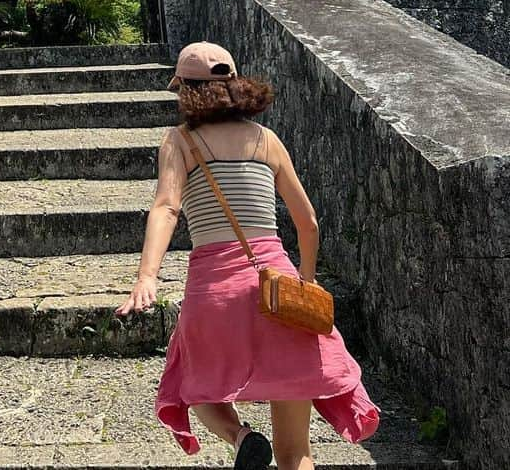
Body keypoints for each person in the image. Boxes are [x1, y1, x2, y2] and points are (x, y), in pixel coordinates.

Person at [115, 41, 380, 470]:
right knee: (296, 452)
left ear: (185, 90)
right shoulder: (266, 140)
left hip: (215, 291)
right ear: (235, 85)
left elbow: (166, 206)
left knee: (191, 383)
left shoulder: (181, 141)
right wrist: (306, 280)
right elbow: (308, 221)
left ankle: (241, 438)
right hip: (278, 288)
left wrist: (147, 275)